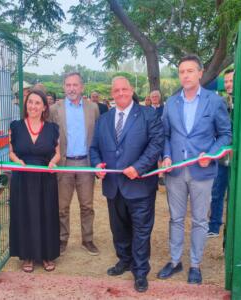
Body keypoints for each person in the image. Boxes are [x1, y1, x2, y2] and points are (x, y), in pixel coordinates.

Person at [158, 54, 231, 284]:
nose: (185, 75)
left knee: (200, 220)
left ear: (200, 73)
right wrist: (167, 155)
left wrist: (210, 154)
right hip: (176, 172)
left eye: (190, 71)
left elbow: (225, 135)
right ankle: (175, 261)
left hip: (203, 172)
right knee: (175, 218)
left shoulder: (214, 101)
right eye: (181, 71)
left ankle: (196, 265)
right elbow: (166, 135)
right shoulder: (171, 103)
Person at [90, 76, 164, 293]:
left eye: (124, 89)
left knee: (141, 230)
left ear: (132, 90)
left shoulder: (148, 114)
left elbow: (156, 143)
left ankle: (140, 271)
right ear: (112, 94)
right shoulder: (104, 119)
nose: (120, 93)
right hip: (113, 186)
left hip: (139, 185)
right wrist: (97, 166)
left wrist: (139, 167)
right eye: (116, 90)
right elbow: (94, 148)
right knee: (118, 228)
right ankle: (124, 260)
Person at [9, 89, 61, 272]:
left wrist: (53, 162)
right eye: (30, 102)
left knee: (46, 214)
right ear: (26, 104)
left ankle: (47, 255)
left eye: (38, 103)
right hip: (22, 178)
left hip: (45, 179)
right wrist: (18, 162)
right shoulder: (15, 126)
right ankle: (28, 255)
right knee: (25, 215)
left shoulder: (52, 128)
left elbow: (57, 153)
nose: (33, 106)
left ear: (44, 107)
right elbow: (11, 152)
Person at [49, 72, 100, 255]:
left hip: (86, 163)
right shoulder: (55, 109)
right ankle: (62, 240)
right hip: (64, 164)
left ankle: (88, 240)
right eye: (68, 85)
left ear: (82, 87)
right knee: (62, 207)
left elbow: (97, 136)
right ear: (64, 87)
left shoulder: (93, 108)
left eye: (75, 85)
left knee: (87, 206)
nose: (71, 88)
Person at [208, 69, 234, 237]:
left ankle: (235, 230)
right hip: (223, 157)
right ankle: (214, 226)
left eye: (231, 81)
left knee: (237, 195)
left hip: (239, 158)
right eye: (226, 81)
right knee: (217, 191)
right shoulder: (223, 102)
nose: (228, 84)